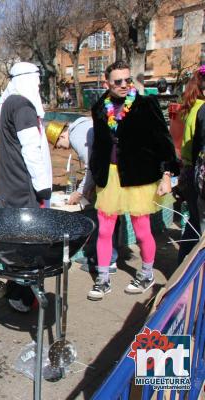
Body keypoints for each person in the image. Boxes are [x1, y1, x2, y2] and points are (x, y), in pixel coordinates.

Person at [87, 60, 179, 301]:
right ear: (107, 83)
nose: (124, 85)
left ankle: (147, 273)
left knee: (141, 230)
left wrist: (167, 173)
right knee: (105, 231)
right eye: (118, 81)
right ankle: (103, 277)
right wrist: (93, 178)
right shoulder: (99, 107)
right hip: (110, 177)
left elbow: (163, 140)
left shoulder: (145, 104)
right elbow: (98, 146)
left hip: (139, 176)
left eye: (127, 80)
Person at [0, 61, 52, 313]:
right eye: (37, 82)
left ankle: (15, 292)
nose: (39, 87)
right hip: (23, 187)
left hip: (10, 186)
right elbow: (32, 151)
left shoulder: (9, 103)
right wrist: (43, 187)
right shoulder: (23, 107)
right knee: (28, 247)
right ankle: (23, 297)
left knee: (15, 243)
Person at [46, 118, 118, 274]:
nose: (61, 149)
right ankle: (96, 255)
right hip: (108, 173)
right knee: (99, 217)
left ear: (62, 136)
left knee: (107, 218)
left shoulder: (76, 137)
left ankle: (109, 260)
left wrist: (79, 192)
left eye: (58, 145)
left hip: (112, 175)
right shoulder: (79, 128)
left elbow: (91, 166)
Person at [177, 65, 205, 263]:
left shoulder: (192, 107)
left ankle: (181, 267)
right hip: (195, 171)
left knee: (193, 222)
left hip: (189, 170)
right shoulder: (200, 110)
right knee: (197, 223)